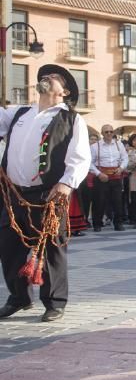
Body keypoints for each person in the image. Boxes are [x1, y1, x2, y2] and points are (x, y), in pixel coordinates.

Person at [0, 64, 90, 322]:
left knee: (52, 247)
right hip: (14, 194)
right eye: (45, 76)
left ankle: (54, 302)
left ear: (65, 92)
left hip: (49, 194)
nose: (48, 78)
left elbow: (80, 157)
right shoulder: (19, 114)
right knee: (8, 245)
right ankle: (19, 297)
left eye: (55, 78)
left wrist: (66, 184)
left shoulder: (71, 119)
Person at [89, 124, 128, 232]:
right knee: (99, 201)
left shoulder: (119, 144)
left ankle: (118, 223)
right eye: (106, 132)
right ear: (102, 133)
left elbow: (125, 158)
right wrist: (98, 174)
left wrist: (121, 168)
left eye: (111, 131)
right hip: (101, 177)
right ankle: (97, 224)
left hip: (116, 176)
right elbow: (89, 163)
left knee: (117, 201)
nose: (109, 134)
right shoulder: (95, 146)